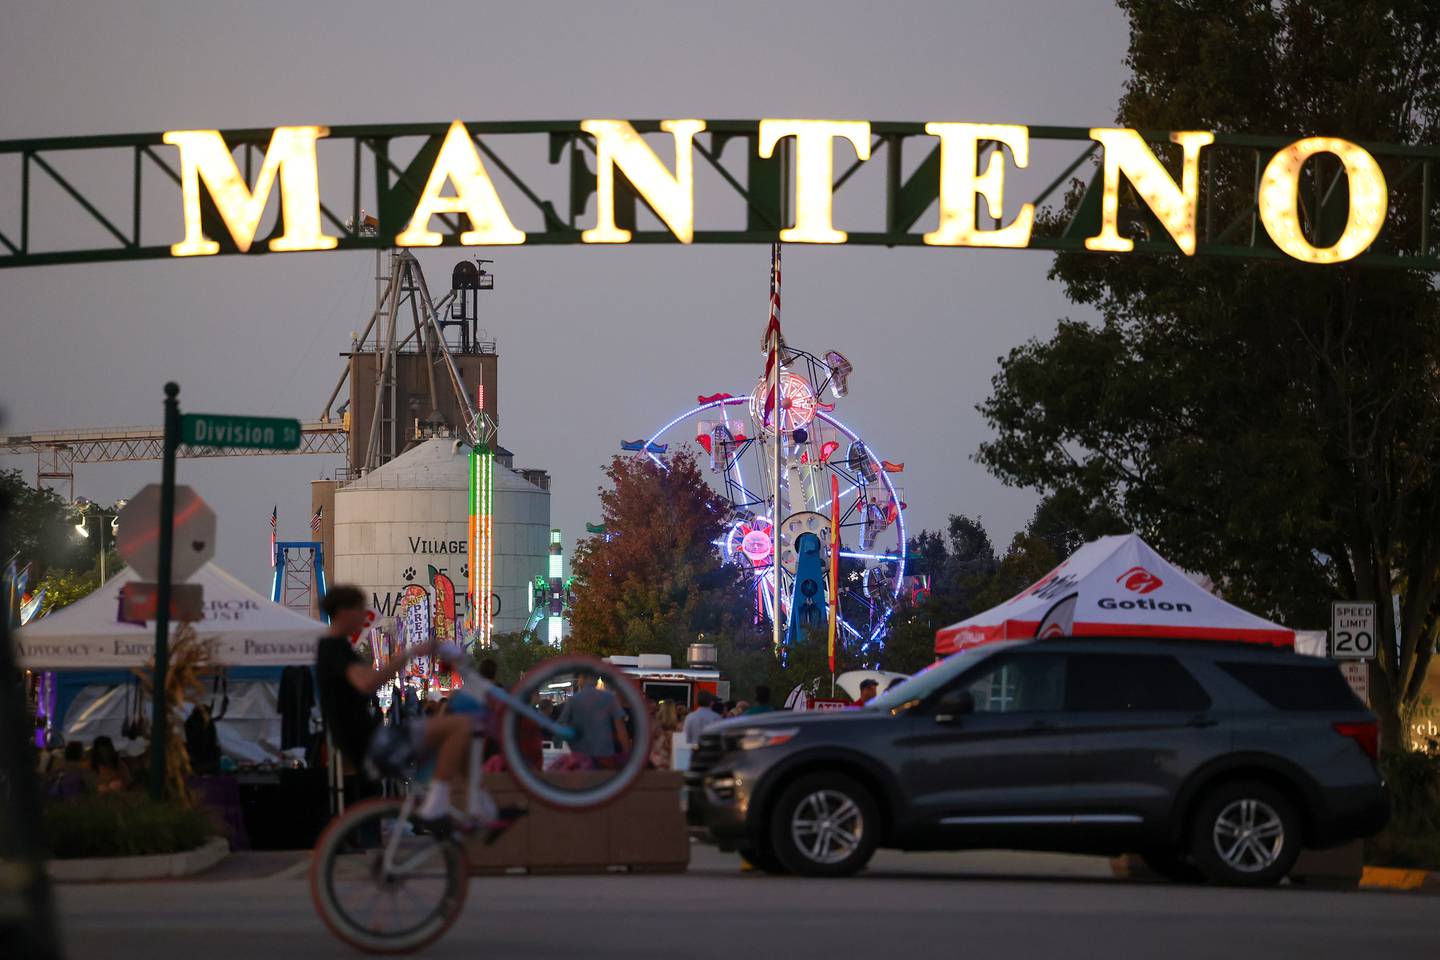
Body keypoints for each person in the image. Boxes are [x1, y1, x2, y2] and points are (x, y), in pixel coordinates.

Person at [315, 586, 492, 828]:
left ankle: (471, 798)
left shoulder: (337, 648)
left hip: (367, 741)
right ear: (344, 612)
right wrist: (409, 654)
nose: (364, 617)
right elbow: (366, 682)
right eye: (359, 610)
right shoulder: (333, 649)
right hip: (372, 742)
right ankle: (439, 803)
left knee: (466, 734)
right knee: (461, 724)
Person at [557, 670, 631, 765]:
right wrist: (627, 755)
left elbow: (561, 726)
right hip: (605, 755)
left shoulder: (574, 700)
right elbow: (621, 729)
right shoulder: (610, 698)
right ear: (596, 680)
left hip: (581, 756)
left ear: (582, 680)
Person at [649, 701, 679, 770]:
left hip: (656, 766)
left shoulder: (654, 729)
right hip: (674, 768)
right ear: (674, 713)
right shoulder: (678, 730)